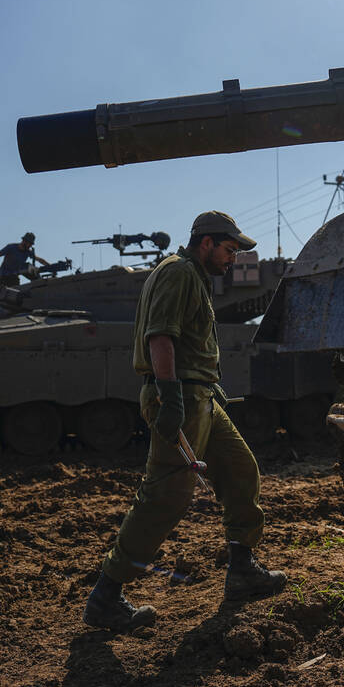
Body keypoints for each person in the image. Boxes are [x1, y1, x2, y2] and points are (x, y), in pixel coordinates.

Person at [83, 211, 287, 630]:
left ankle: (243, 572)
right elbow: (161, 336)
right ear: (206, 243)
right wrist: (170, 396)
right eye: (229, 250)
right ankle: (106, 596)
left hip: (203, 398)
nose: (232, 260)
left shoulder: (194, 276)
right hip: (184, 398)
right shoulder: (178, 273)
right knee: (166, 496)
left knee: (239, 471)